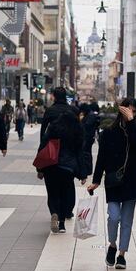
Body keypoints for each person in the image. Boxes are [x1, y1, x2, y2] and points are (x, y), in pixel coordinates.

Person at [88, 98, 136, 269]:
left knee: (127, 220)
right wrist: (96, 181)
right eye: (128, 110)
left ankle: (122, 255)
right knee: (114, 217)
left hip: (131, 181)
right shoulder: (108, 133)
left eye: (134, 111)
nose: (130, 114)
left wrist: (132, 122)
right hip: (113, 181)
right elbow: (102, 158)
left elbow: (134, 144)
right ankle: (112, 244)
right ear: (121, 110)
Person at [38, 99, 84, 234]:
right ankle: (62, 224)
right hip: (67, 168)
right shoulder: (77, 129)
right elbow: (79, 152)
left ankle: (54, 213)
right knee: (65, 194)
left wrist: (40, 168)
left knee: (53, 193)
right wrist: (82, 173)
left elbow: (43, 145)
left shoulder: (54, 126)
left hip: (51, 165)